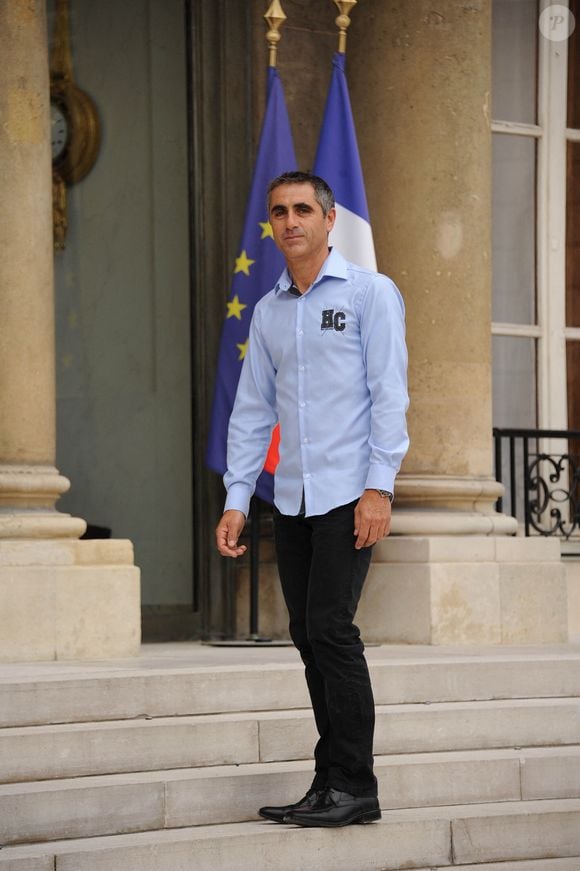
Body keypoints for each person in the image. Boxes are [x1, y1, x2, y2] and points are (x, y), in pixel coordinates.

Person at [215, 171, 409, 828]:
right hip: (292, 497)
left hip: (349, 494)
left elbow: (390, 396)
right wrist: (238, 497)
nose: (290, 220)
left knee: (331, 628)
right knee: (306, 633)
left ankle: (356, 783)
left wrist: (379, 487)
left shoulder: (370, 294)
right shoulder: (270, 312)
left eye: (302, 209)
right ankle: (330, 780)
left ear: (329, 220)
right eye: (279, 212)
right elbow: (251, 411)